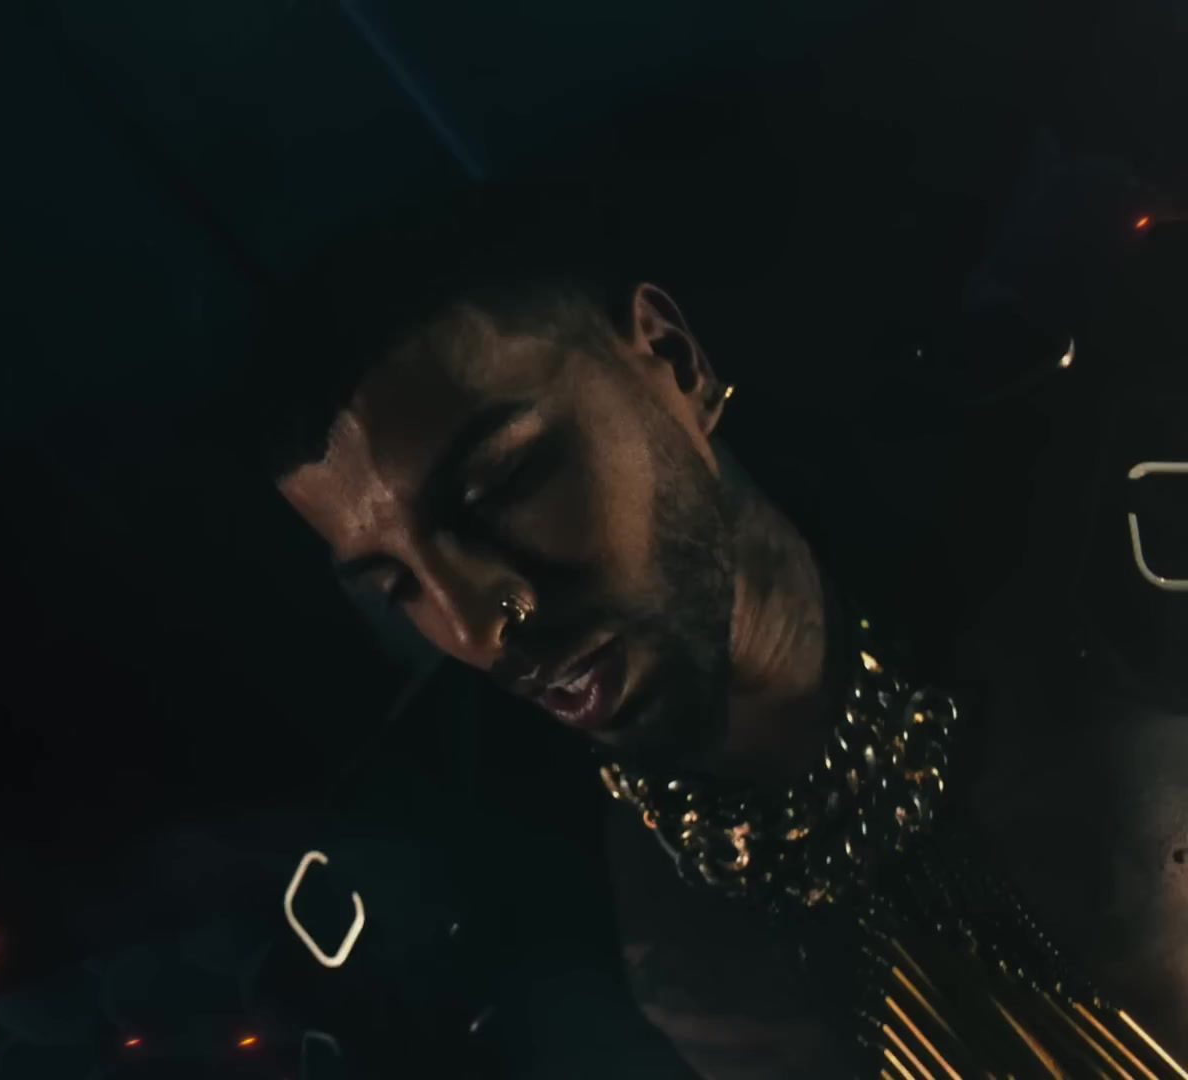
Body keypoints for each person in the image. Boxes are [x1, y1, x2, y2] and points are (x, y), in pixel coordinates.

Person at [242, 173, 1188, 1077]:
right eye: (397, 584)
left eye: (504, 482)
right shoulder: (630, 946)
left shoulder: (1093, 554)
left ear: (674, 362)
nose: (477, 620)